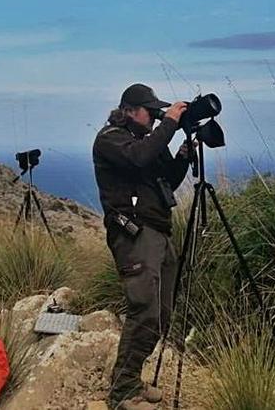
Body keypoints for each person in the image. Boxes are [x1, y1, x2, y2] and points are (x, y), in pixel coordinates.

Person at [92, 84, 194, 410]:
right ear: (130, 111)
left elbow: (166, 180)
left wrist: (180, 156)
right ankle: (122, 392)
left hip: (160, 232)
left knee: (161, 314)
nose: (153, 117)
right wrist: (169, 125)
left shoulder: (150, 141)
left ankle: (132, 380)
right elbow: (138, 158)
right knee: (144, 311)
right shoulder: (111, 138)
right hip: (135, 236)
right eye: (149, 111)